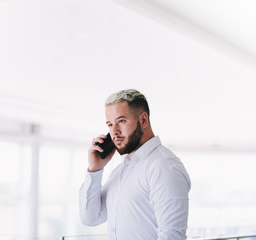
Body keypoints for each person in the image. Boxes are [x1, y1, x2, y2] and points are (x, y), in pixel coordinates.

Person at [79, 89, 191, 240]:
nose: (114, 131)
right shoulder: (121, 170)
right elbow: (90, 218)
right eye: (110, 124)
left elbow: (172, 236)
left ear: (143, 120)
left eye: (121, 121)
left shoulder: (164, 166)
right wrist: (95, 170)